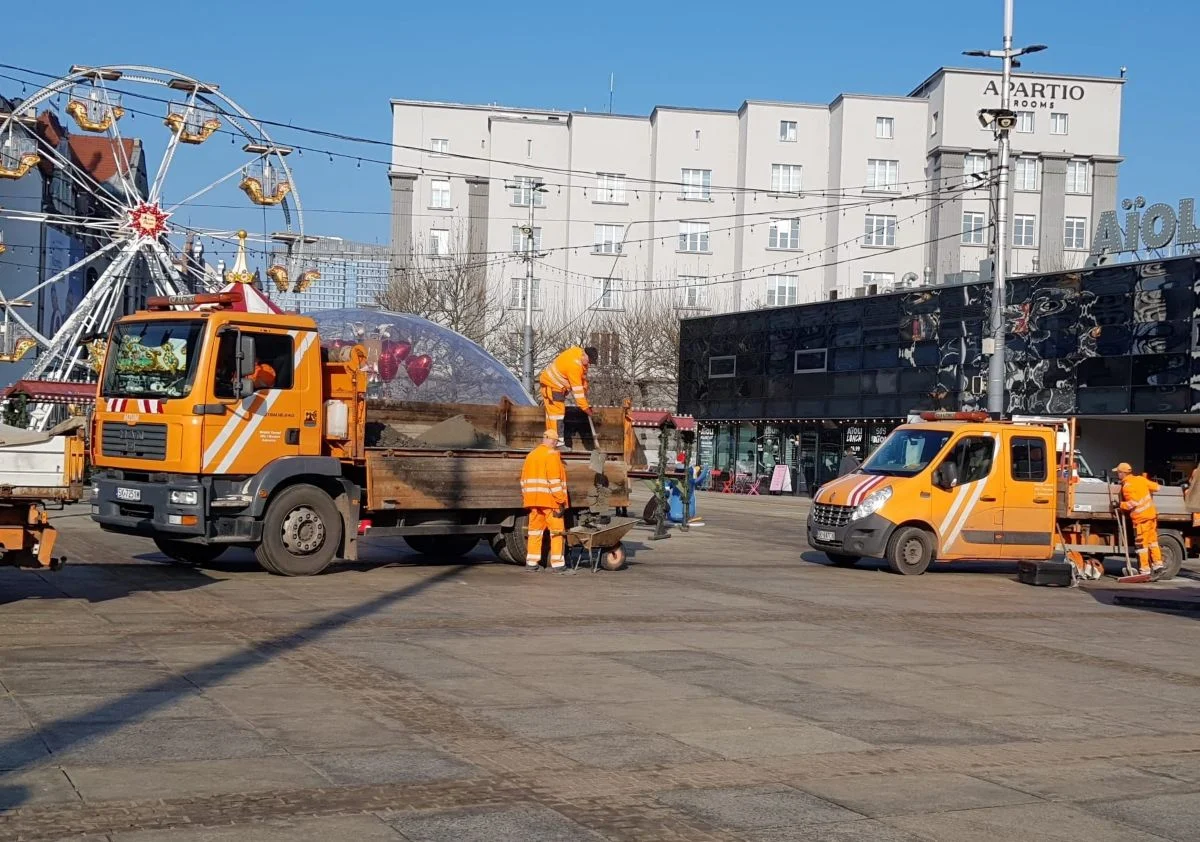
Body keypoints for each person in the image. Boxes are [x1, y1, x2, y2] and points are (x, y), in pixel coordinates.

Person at [520, 433, 570, 573]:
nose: (555, 444)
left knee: (535, 532)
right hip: (551, 502)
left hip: (534, 502)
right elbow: (554, 481)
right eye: (555, 442)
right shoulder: (552, 455)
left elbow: (523, 480)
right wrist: (561, 501)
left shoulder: (531, 455)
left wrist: (528, 498)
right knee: (557, 533)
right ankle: (558, 565)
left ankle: (531, 563)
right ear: (553, 441)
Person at [538, 345, 598, 442]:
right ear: (584, 355)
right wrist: (586, 409)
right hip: (553, 385)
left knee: (552, 416)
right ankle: (557, 443)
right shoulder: (574, 366)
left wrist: (585, 396)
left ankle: (550, 441)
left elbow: (582, 380)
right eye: (589, 361)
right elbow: (578, 393)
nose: (589, 364)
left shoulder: (578, 353)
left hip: (553, 384)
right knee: (557, 415)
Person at [1115, 461, 1164, 578]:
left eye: (1118, 472)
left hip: (1141, 520)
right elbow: (1157, 487)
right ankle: (1158, 565)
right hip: (1151, 516)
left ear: (1122, 473)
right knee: (1153, 542)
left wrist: (1120, 505)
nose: (1117, 474)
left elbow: (1133, 503)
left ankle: (1145, 571)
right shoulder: (1141, 479)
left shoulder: (1127, 486)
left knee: (1141, 546)